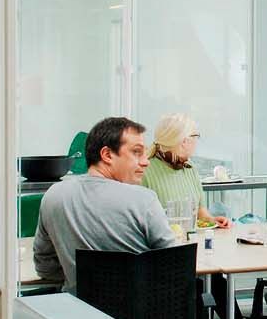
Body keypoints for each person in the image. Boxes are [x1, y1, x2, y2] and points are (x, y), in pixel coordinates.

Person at [33, 116, 179, 295]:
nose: (146, 161)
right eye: (136, 152)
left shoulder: (53, 196)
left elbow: (45, 267)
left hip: (77, 310)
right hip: (141, 310)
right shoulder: (144, 200)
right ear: (107, 155)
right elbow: (175, 266)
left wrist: (79, 277)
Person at [142, 113, 233, 231]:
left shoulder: (189, 167)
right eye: (196, 136)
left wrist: (212, 220)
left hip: (193, 239)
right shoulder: (144, 171)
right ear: (184, 141)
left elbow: (200, 212)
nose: (196, 141)